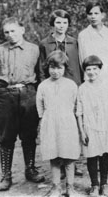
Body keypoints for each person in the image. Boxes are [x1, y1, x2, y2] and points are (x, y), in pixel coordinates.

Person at [0, 17, 44, 191]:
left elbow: (41, 74)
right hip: (5, 96)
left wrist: (42, 98)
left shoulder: (34, 50)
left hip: (28, 94)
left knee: (29, 134)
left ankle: (30, 168)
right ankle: (6, 175)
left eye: (13, 31)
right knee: (6, 137)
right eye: (6, 32)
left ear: (22, 30)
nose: (10, 35)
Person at [36, 51, 80, 196]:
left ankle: (70, 187)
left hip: (67, 123)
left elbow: (76, 105)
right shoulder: (43, 86)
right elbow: (40, 106)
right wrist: (43, 120)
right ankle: (56, 187)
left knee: (69, 156)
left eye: (59, 68)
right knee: (54, 155)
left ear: (65, 68)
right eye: (52, 68)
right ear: (47, 67)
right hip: (50, 123)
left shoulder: (71, 85)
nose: (55, 71)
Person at [77, 55, 108, 196]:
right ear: (85, 71)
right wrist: (82, 132)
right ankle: (94, 184)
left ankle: (104, 184)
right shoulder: (82, 88)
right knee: (91, 156)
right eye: (88, 69)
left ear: (100, 69)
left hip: (105, 125)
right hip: (89, 127)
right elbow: (79, 112)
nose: (91, 72)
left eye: (95, 68)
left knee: (105, 155)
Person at [39, 9, 82, 85]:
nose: (62, 26)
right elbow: (41, 70)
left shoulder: (74, 43)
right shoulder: (45, 44)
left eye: (65, 23)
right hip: (52, 85)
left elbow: (78, 66)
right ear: (53, 24)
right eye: (58, 22)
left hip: (73, 84)